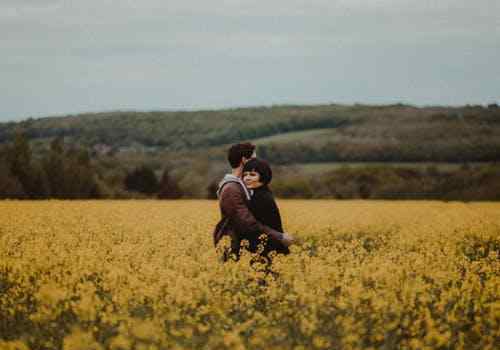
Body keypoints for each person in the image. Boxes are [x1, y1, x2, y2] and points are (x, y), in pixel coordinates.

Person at [213, 143, 294, 262]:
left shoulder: (244, 185)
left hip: (248, 249)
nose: (256, 162)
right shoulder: (231, 188)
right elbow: (246, 222)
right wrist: (279, 237)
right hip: (235, 249)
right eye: (254, 159)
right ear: (244, 160)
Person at [242, 158, 290, 262]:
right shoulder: (261, 193)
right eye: (245, 175)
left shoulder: (261, 198)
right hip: (268, 248)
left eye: (252, 174)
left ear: (263, 177)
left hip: (267, 250)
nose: (247, 178)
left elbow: (255, 225)